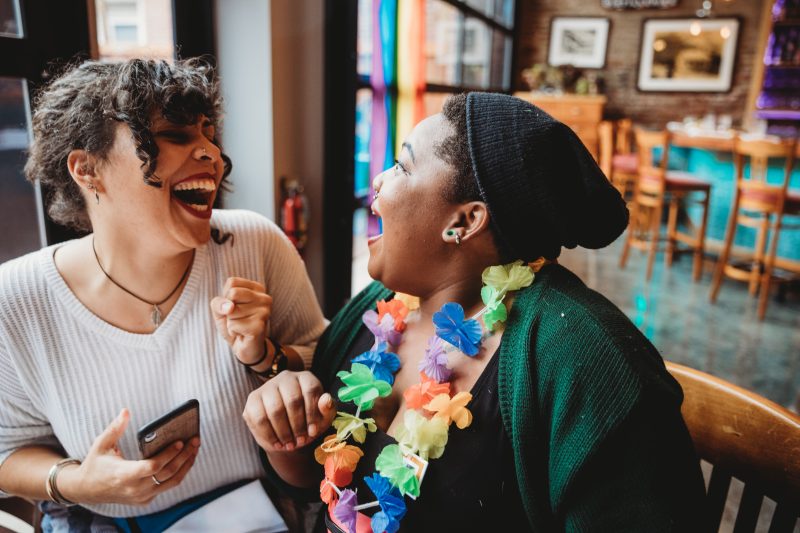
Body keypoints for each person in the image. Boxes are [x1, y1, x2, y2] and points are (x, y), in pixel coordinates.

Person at [246, 93, 707, 532]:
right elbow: (315, 484)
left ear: (465, 221)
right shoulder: (378, 308)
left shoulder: (586, 361)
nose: (379, 182)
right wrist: (284, 437)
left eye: (402, 166)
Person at [0, 58, 327, 531]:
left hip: (263, 516)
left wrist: (266, 357)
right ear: (87, 169)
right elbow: (6, 453)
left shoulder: (256, 243)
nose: (210, 154)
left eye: (208, 133)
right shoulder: (16, 300)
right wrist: (76, 483)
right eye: (176, 135)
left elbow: (329, 369)